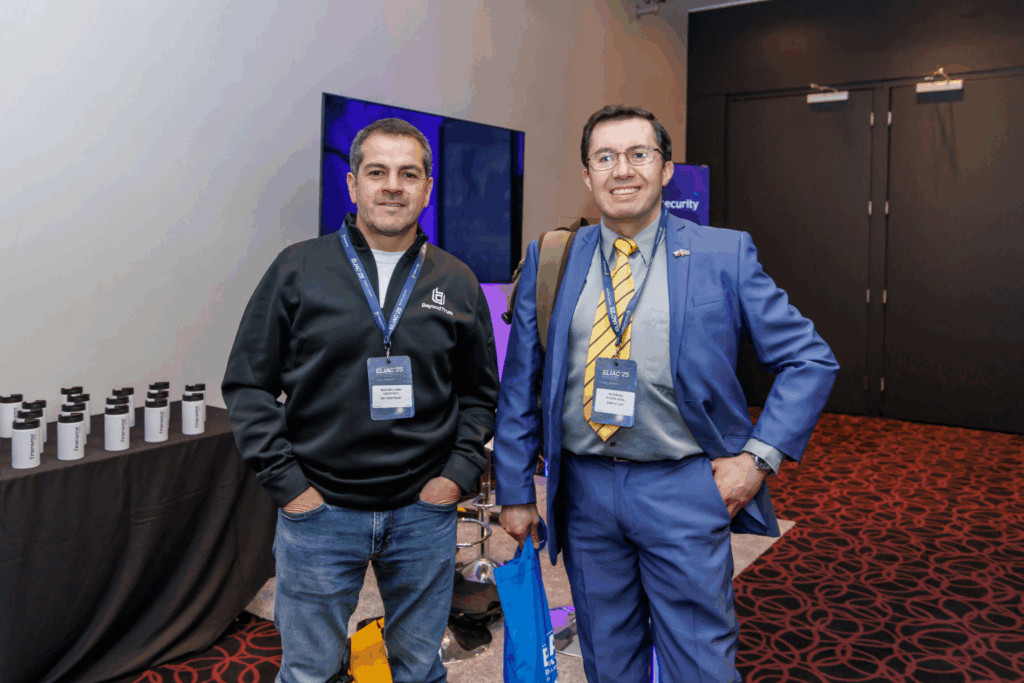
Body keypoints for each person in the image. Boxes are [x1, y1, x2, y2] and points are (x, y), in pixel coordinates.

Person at [494, 104, 838, 682]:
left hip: (683, 486)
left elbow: (810, 359)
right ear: (586, 175)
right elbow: (521, 383)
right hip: (584, 493)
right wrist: (513, 488)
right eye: (605, 157)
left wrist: (756, 461)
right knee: (607, 657)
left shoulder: (721, 253)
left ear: (666, 168)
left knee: (699, 661)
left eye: (638, 154)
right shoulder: (550, 259)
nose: (621, 170)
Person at [222, 117, 500, 683]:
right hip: (319, 513)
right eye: (377, 172)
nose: (392, 185)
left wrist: (453, 478)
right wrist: (290, 489)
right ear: (353, 185)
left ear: (427, 187)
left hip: (423, 513)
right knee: (308, 671)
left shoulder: (458, 280)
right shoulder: (298, 269)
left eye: (408, 173)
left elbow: (479, 396)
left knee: (419, 667)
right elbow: (247, 385)